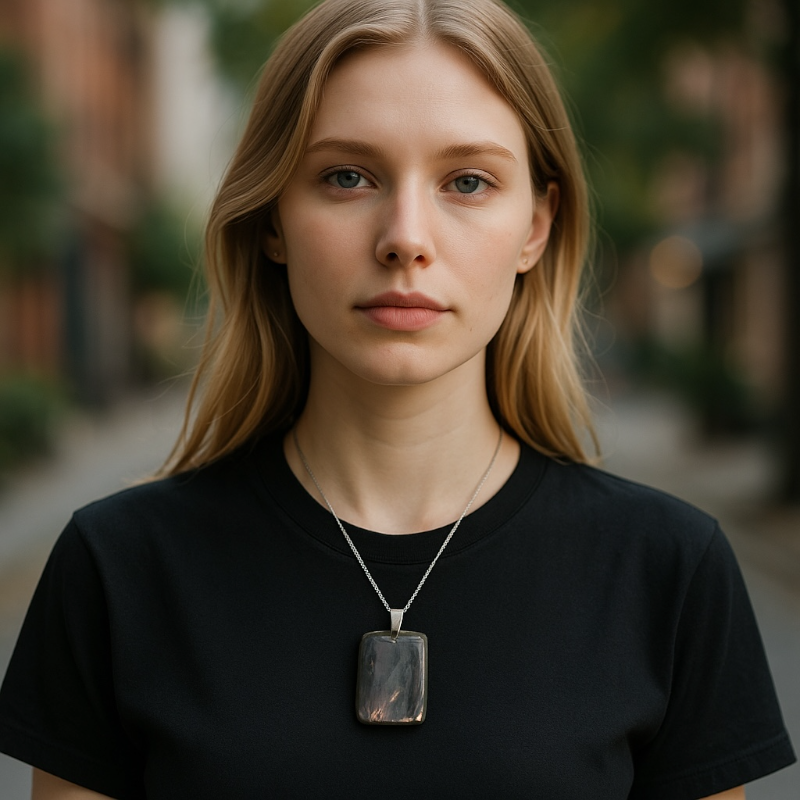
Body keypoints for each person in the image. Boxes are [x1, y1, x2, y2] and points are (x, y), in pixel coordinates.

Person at [0, 0, 795, 797]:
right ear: (273, 219)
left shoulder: (670, 571)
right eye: (347, 176)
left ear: (537, 227)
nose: (405, 236)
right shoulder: (117, 570)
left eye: (468, 181)